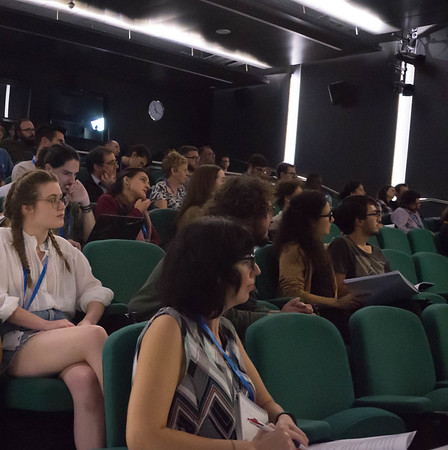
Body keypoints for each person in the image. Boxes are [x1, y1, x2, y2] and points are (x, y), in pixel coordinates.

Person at [126, 217, 309, 449]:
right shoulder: (169, 328)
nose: (258, 270)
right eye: (248, 261)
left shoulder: (224, 329)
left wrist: (283, 419)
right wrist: (252, 448)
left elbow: (266, 402)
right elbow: (143, 439)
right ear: (215, 270)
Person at [0, 170, 113, 450]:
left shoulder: (64, 247)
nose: (62, 205)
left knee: (85, 382)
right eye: (52, 200)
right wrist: (50, 327)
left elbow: (95, 290)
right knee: (96, 337)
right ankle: (137, 434)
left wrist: (87, 321)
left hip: (65, 335)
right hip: (17, 338)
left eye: (61, 199)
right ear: (27, 207)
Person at [129, 176, 313, 338]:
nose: (272, 218)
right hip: (158, 326)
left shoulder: (233, 241)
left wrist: (279, 312)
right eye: (268, 210)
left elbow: (244, 306)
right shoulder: (213, 243)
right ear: (251, 213)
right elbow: (218, 312)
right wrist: (276, 316)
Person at [275, 190, 360, 340]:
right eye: (328, 216)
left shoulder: (316, 246)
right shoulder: (293, 248)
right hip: (314, 318)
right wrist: (337, 303)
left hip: (328, 313)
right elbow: (292, 292)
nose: (332, 220)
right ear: (311, 220)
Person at [38, 144, 95, 247]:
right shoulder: (33, 200)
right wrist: (61, 245)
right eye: (66, 173)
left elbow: (91, 241)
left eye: (75, 174)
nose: (72, 181)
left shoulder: (71, 201)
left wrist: (85, 202)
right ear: (49, 169)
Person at [95, 168, 160, 245]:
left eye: (148, 183)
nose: (148, 186)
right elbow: (113, 237)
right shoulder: (107, 200)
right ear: (126, 180)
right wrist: (137, 212)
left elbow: (156, 241)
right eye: (143, 180)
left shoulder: (141, 208)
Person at [174, 165, 225, 232]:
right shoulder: (194, 212)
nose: (225, 184)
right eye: (222, 180)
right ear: (209, 183)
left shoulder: (214, 209)